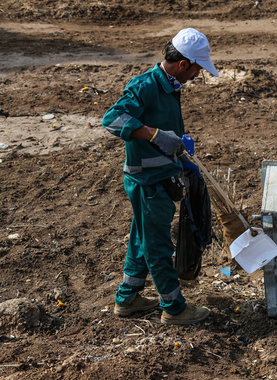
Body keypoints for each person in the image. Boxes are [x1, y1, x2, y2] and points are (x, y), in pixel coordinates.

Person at [102, 28, 219, 325]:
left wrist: (181, 155)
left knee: (142, 239)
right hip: (149, 183)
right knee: (157, 245)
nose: (196, 76)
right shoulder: (144, 86)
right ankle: (174, 307)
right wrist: (153, 135)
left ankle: (127, 299)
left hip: (160, 176)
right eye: (197, 70)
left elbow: (168, 133)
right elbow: (113, 119)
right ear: (183, 65)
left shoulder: (169, 87)